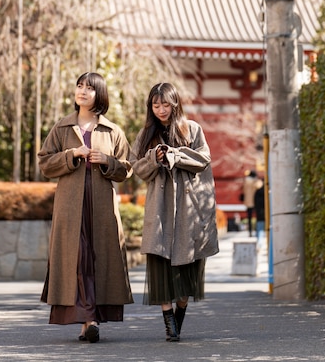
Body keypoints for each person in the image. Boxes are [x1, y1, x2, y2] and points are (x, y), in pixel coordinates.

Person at [37, 72, 133, 343]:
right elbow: (45, 163)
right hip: (70, 206)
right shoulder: (62, 127)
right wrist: (71, 155)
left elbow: (127, 169)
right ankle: (88, 320)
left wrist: (107, 161)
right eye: (80, 86)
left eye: (89, 88)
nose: (82, 91)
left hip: (101, 206)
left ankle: (89, 320)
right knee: (77, 259)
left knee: (97, 258)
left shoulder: (112, 131)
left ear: (99, 94)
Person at [130, 82, 219, 343]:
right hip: (159, 208)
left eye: (165, 104)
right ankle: (169, 323)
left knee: (186, 275)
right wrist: (153, 158)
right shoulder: (146, 132)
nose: (160, 110)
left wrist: (175, 155)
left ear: (175, 103)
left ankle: (179, 315)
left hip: (188, 210)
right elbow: (136, 166)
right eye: (155, 105)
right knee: (160, 268)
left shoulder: (191, 129)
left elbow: (204, 158)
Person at [242, 170, 262, 237]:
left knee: (249, 217)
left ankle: (250, 231)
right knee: (257, 217)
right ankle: (256, 231)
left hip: (248, 201)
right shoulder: (255, 181)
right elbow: (259, 186)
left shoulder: (246, 181)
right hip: (255, 201)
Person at [254, 180, 265, 248]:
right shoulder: (265, 193)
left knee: (259, 228)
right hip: (264, 214)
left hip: (259, 214)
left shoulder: (257, 193)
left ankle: (259, 243)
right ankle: (260, 243)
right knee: (260, 228)